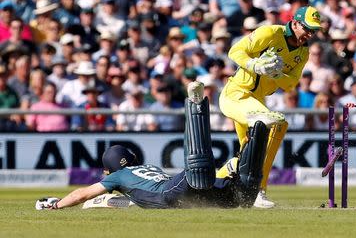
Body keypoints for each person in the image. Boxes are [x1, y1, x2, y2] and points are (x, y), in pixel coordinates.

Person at [35, 82, 270, 210]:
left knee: (197, 171)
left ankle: (196, 105)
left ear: (112, 167)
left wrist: (56, 204)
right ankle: (258, 131)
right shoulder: (144, 168)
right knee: (242, 196)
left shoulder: (118, 177)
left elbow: (83, 193)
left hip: (171, 193)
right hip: (184, 194)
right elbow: (128, 201)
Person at [219, 6, 322, 208]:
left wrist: (276, 74)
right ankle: (259, 190)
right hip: (236, 94)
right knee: (275, 123)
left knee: (247, 159)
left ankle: (205, 184)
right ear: (294, 23)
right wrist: (255, 65)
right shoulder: (271, 32)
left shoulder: (303, 51)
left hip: (256, 102)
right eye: (307, 28)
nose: (310, 34)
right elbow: (234, 51)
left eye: (314, 31)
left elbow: (291, 84)